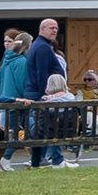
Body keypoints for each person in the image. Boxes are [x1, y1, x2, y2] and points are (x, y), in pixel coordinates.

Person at [23, 20, 67, 168]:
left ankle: (37, 162)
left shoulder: (39, 45)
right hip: (40, 93)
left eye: (56, 28)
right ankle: (57, 160)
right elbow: (41, 73)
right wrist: (46, 94)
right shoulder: (42, 47)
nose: (54, 31)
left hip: (35, 92)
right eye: (51, 28)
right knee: (49, 126)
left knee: (39, 130)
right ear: (41, 29)